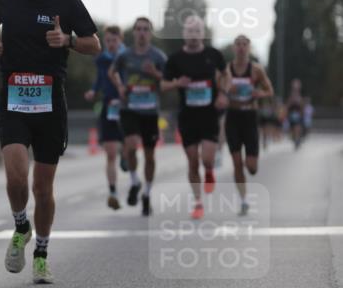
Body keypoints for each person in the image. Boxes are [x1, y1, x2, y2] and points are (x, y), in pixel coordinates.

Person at [0, 0, 100, 284]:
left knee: (43, 189)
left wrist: (68, 40)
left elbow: (93, 44)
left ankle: (42, 254)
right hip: (14, 98)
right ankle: (21, 226)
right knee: (16, 177)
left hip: (50, 105)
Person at [161, 15, 228, 220]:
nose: (193, 36)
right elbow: (163, 86)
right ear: (184, 35)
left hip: (209, 115)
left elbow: (226, 75)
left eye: (197, 31)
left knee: (207, 159)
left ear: (203, 34)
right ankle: (198, 202)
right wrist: (177, 83)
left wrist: (223, 94)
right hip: (187, 116)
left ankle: (209, 171)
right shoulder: (175, 59)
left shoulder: (213, 54)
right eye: (189, 32)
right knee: (192, 162)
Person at [108, 17, 167, 216]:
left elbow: (168, 82)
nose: (142, 32)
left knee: (150, 155)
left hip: (150, 111)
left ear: (150, 33)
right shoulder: (125, 55)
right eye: (139, 29)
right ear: (134, 32)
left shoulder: (158, 56)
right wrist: (120, 86)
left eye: (146, 29)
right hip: (129, 108)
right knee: (131, 147)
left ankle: (147, 193)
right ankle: (134, 180)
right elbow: (112, 72)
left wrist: (156, 74)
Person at [224, 35, 274, 215]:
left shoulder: (256, 70)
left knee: (251, 167)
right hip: (233, 117)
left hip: (250, 118)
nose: (241, 48)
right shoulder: (227, 69)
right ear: (233, 47)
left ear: (249, 47)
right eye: (238, 44)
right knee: (237, 163)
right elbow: (220, 90)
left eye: (244, 45)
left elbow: (269, 90)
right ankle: (244, 200)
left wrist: (257, 93)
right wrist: (228, 90)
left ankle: (250, 162)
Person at [84, 25, 125, 209]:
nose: (110, 44)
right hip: (109, 106)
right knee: (110, 153)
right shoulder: (101, 59)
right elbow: (100, 79)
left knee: (128, 149)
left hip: (127, 107)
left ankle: (126, 155)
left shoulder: (128, 58)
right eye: (107, 40)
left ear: (120, 41)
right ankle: (113, 192)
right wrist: (93, 91)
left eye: (113, 41)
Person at [285, 79, 305, 148]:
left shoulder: (300, 97)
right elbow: (287, 106)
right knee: (293, 129)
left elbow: (302, 106)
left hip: (298, 115)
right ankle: (295, 138)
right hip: (292, 115)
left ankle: (297, 139)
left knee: (298, 127)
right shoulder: (291, 96)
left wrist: (302, 113)